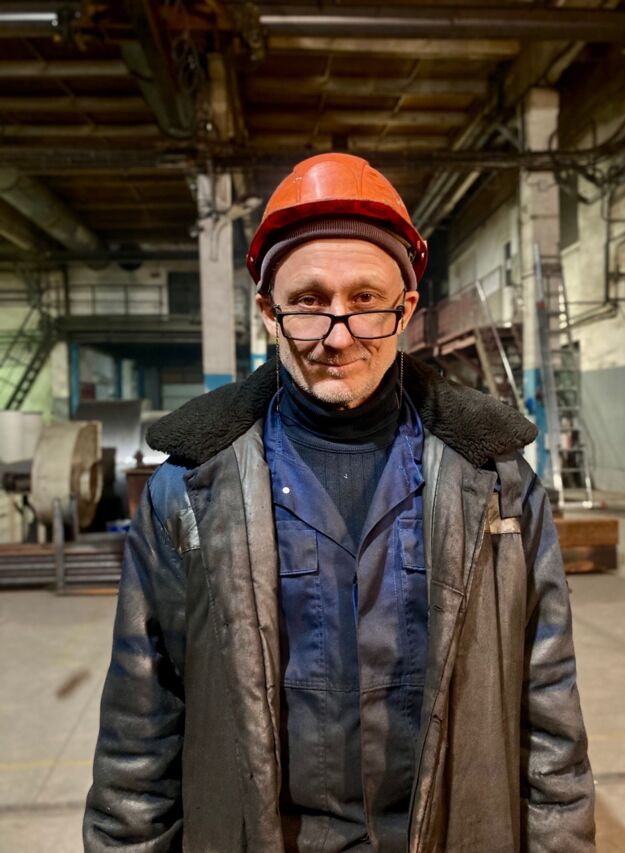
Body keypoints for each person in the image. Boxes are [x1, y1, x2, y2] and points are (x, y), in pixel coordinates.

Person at [84, 153, 595, 852]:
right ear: (268, 312)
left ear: (406, 309)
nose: (338, 334)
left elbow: (551, 721)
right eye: (308, 302)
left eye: (365, 300)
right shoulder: (188, 494)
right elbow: (140, 734)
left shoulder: (498, 486)